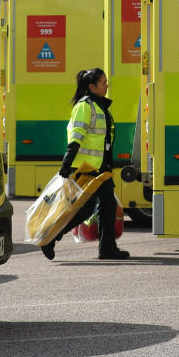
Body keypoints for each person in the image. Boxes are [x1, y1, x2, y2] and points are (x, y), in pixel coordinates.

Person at [41, 68, 130, 261]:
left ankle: (107, 248)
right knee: (85, 209)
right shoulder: (85, 106)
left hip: (99, 168)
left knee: (107, 206)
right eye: (103, 83)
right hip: (87, 168)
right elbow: (76, 137)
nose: (107, 86)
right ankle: (51, 237)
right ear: (92, 86)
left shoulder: (98, 105)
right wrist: (67, 163)